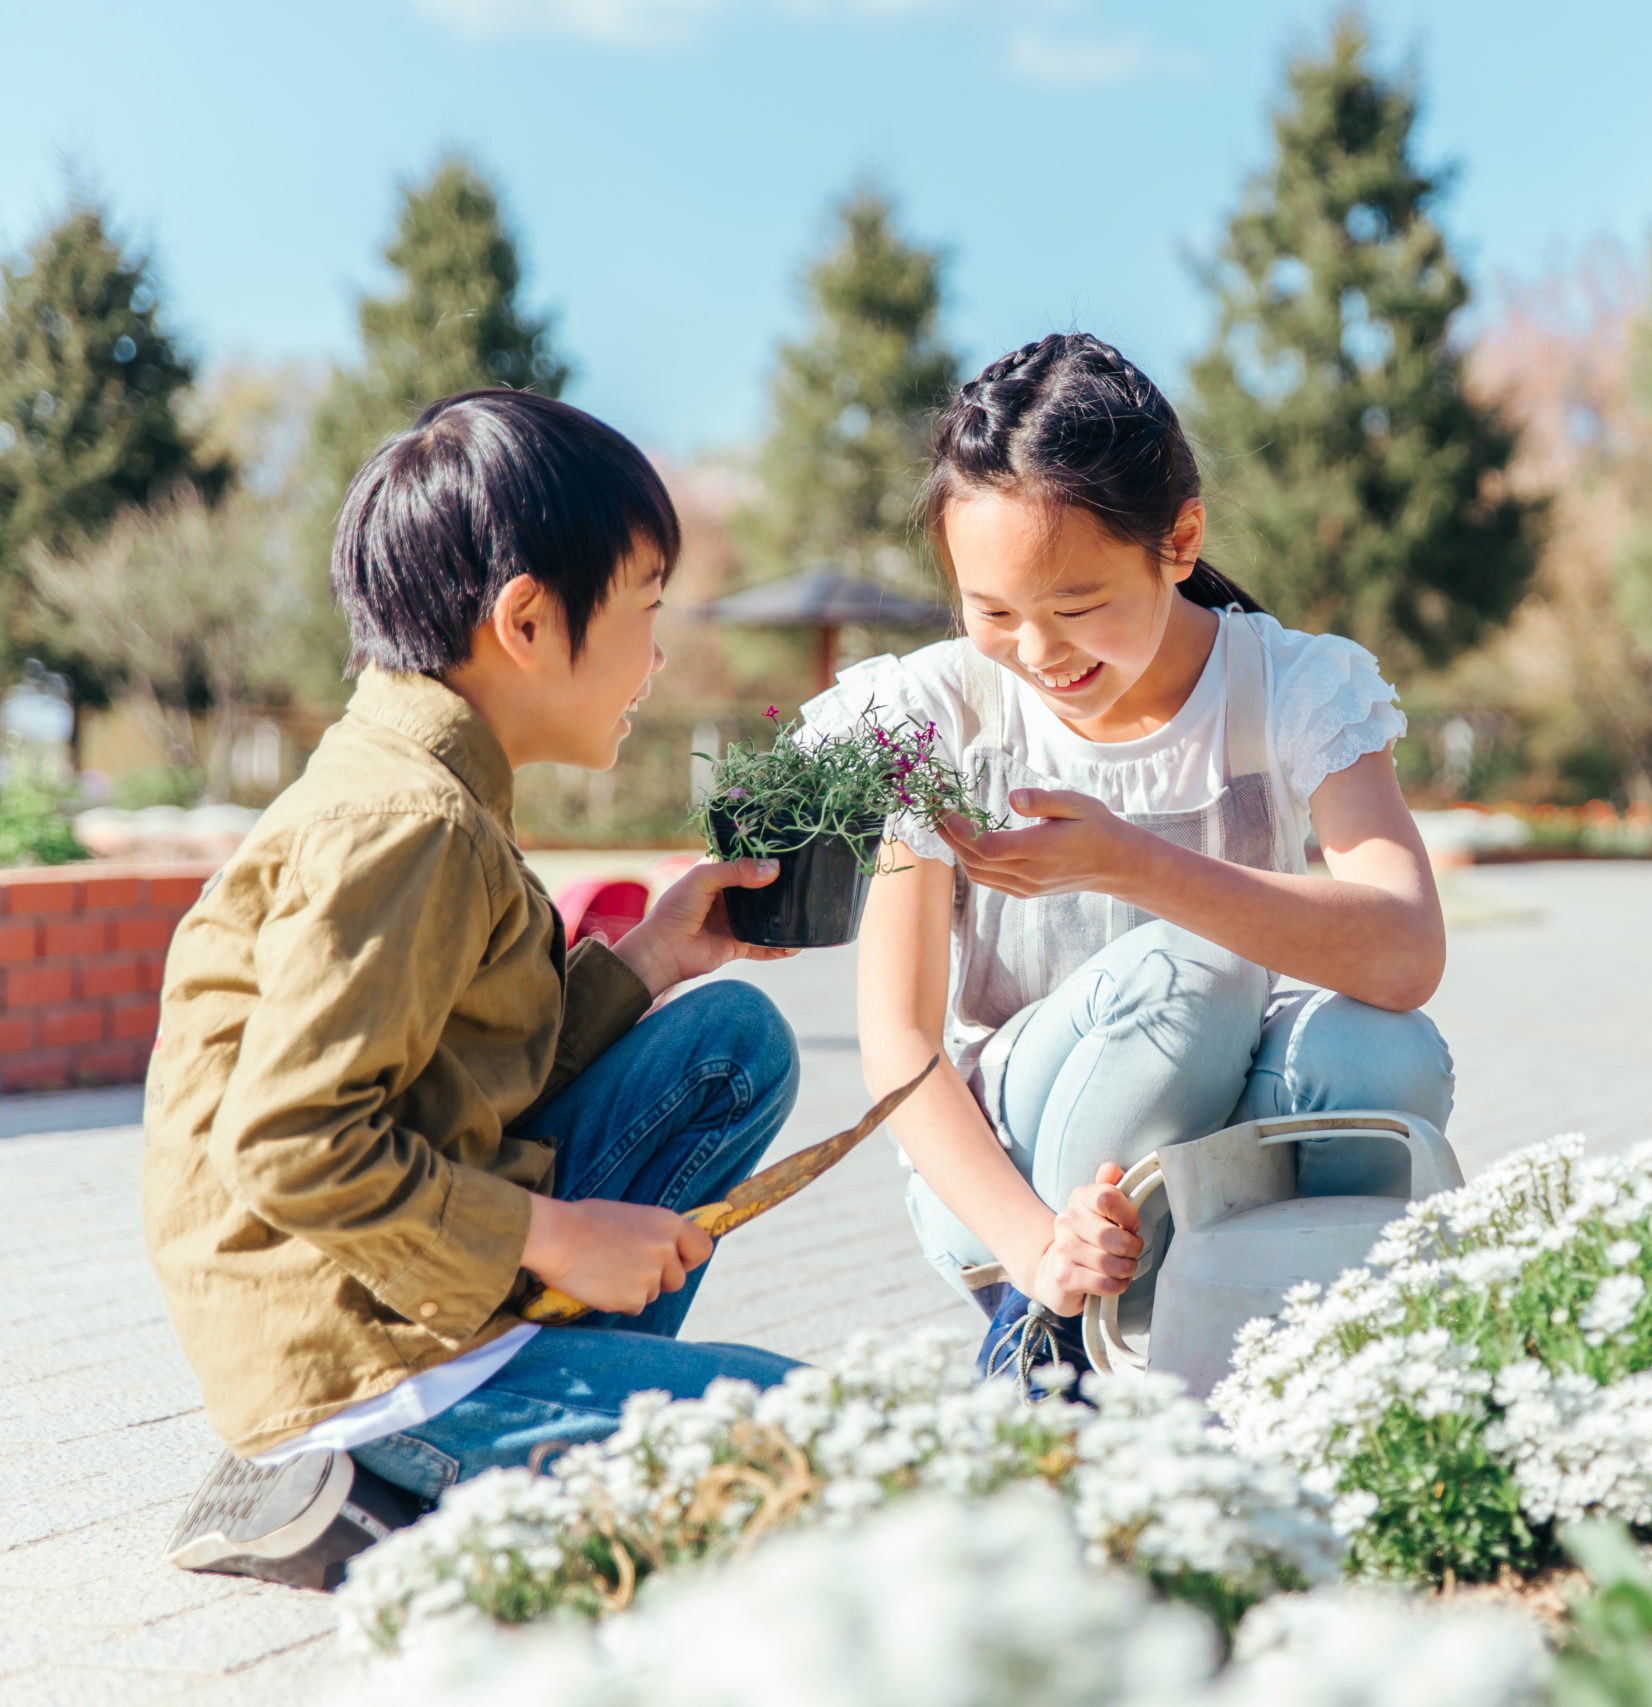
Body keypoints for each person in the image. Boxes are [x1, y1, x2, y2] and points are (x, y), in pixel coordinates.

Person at [147, 391, 806, 1590]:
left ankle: (533, 1437)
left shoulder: (419, 781)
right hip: (366, 1357)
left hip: (415, 1296)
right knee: (825, 1439)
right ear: (528, 619)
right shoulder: (409, 823)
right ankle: (408, 1480)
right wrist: (559, 1236)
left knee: (728, 1047)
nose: (657, 661)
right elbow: (292, 1144)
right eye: (646, 611)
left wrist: (651, 956)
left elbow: (457, 1076)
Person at [808, 333, 1455, 1379]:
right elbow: (896, 1042)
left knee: (1384, 1056)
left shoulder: (1289, 687)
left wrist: (1132, 864)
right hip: (1006, 1181)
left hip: (1197, 1166)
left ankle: (1288, 1354)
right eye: (994, 613)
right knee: (1189, 975)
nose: (1038, 653)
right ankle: (1040, 1355)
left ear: (1180, 538)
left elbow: (1405, 951)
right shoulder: (936, 716)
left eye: (1077, 608)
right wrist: (1034, 1251)